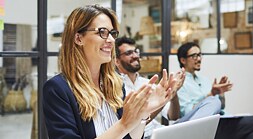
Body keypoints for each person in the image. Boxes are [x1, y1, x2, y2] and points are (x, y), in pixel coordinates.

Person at [42, 5, 177, 139]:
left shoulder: (115, 83)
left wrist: (143, 113)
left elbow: (129, 137)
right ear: (78, 38)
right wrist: (124, 124)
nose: (111, 40)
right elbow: (123, 128)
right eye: (102, 32)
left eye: (112, 33)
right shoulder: (57, 89)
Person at [177, 42, 253, 139]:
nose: (199, 59)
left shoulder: (204, 80)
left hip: (223, 120)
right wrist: (211, 94)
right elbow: (188, 113)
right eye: (194, 56)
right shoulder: (180, 83)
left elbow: (221, 106)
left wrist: (220, 93)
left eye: (200, 55)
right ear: (183, 60)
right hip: (208, 126)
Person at [115, 36, 185, 138]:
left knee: (210, 104)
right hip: (143, 136)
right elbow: (132, 126)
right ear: (117, 61)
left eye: (136, 51)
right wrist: (163, 100)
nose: (135, 56)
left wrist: (173, 95)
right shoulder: (116, 87)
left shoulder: (148, 83)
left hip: (160, 131)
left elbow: (173, 116)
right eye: (128, 53)